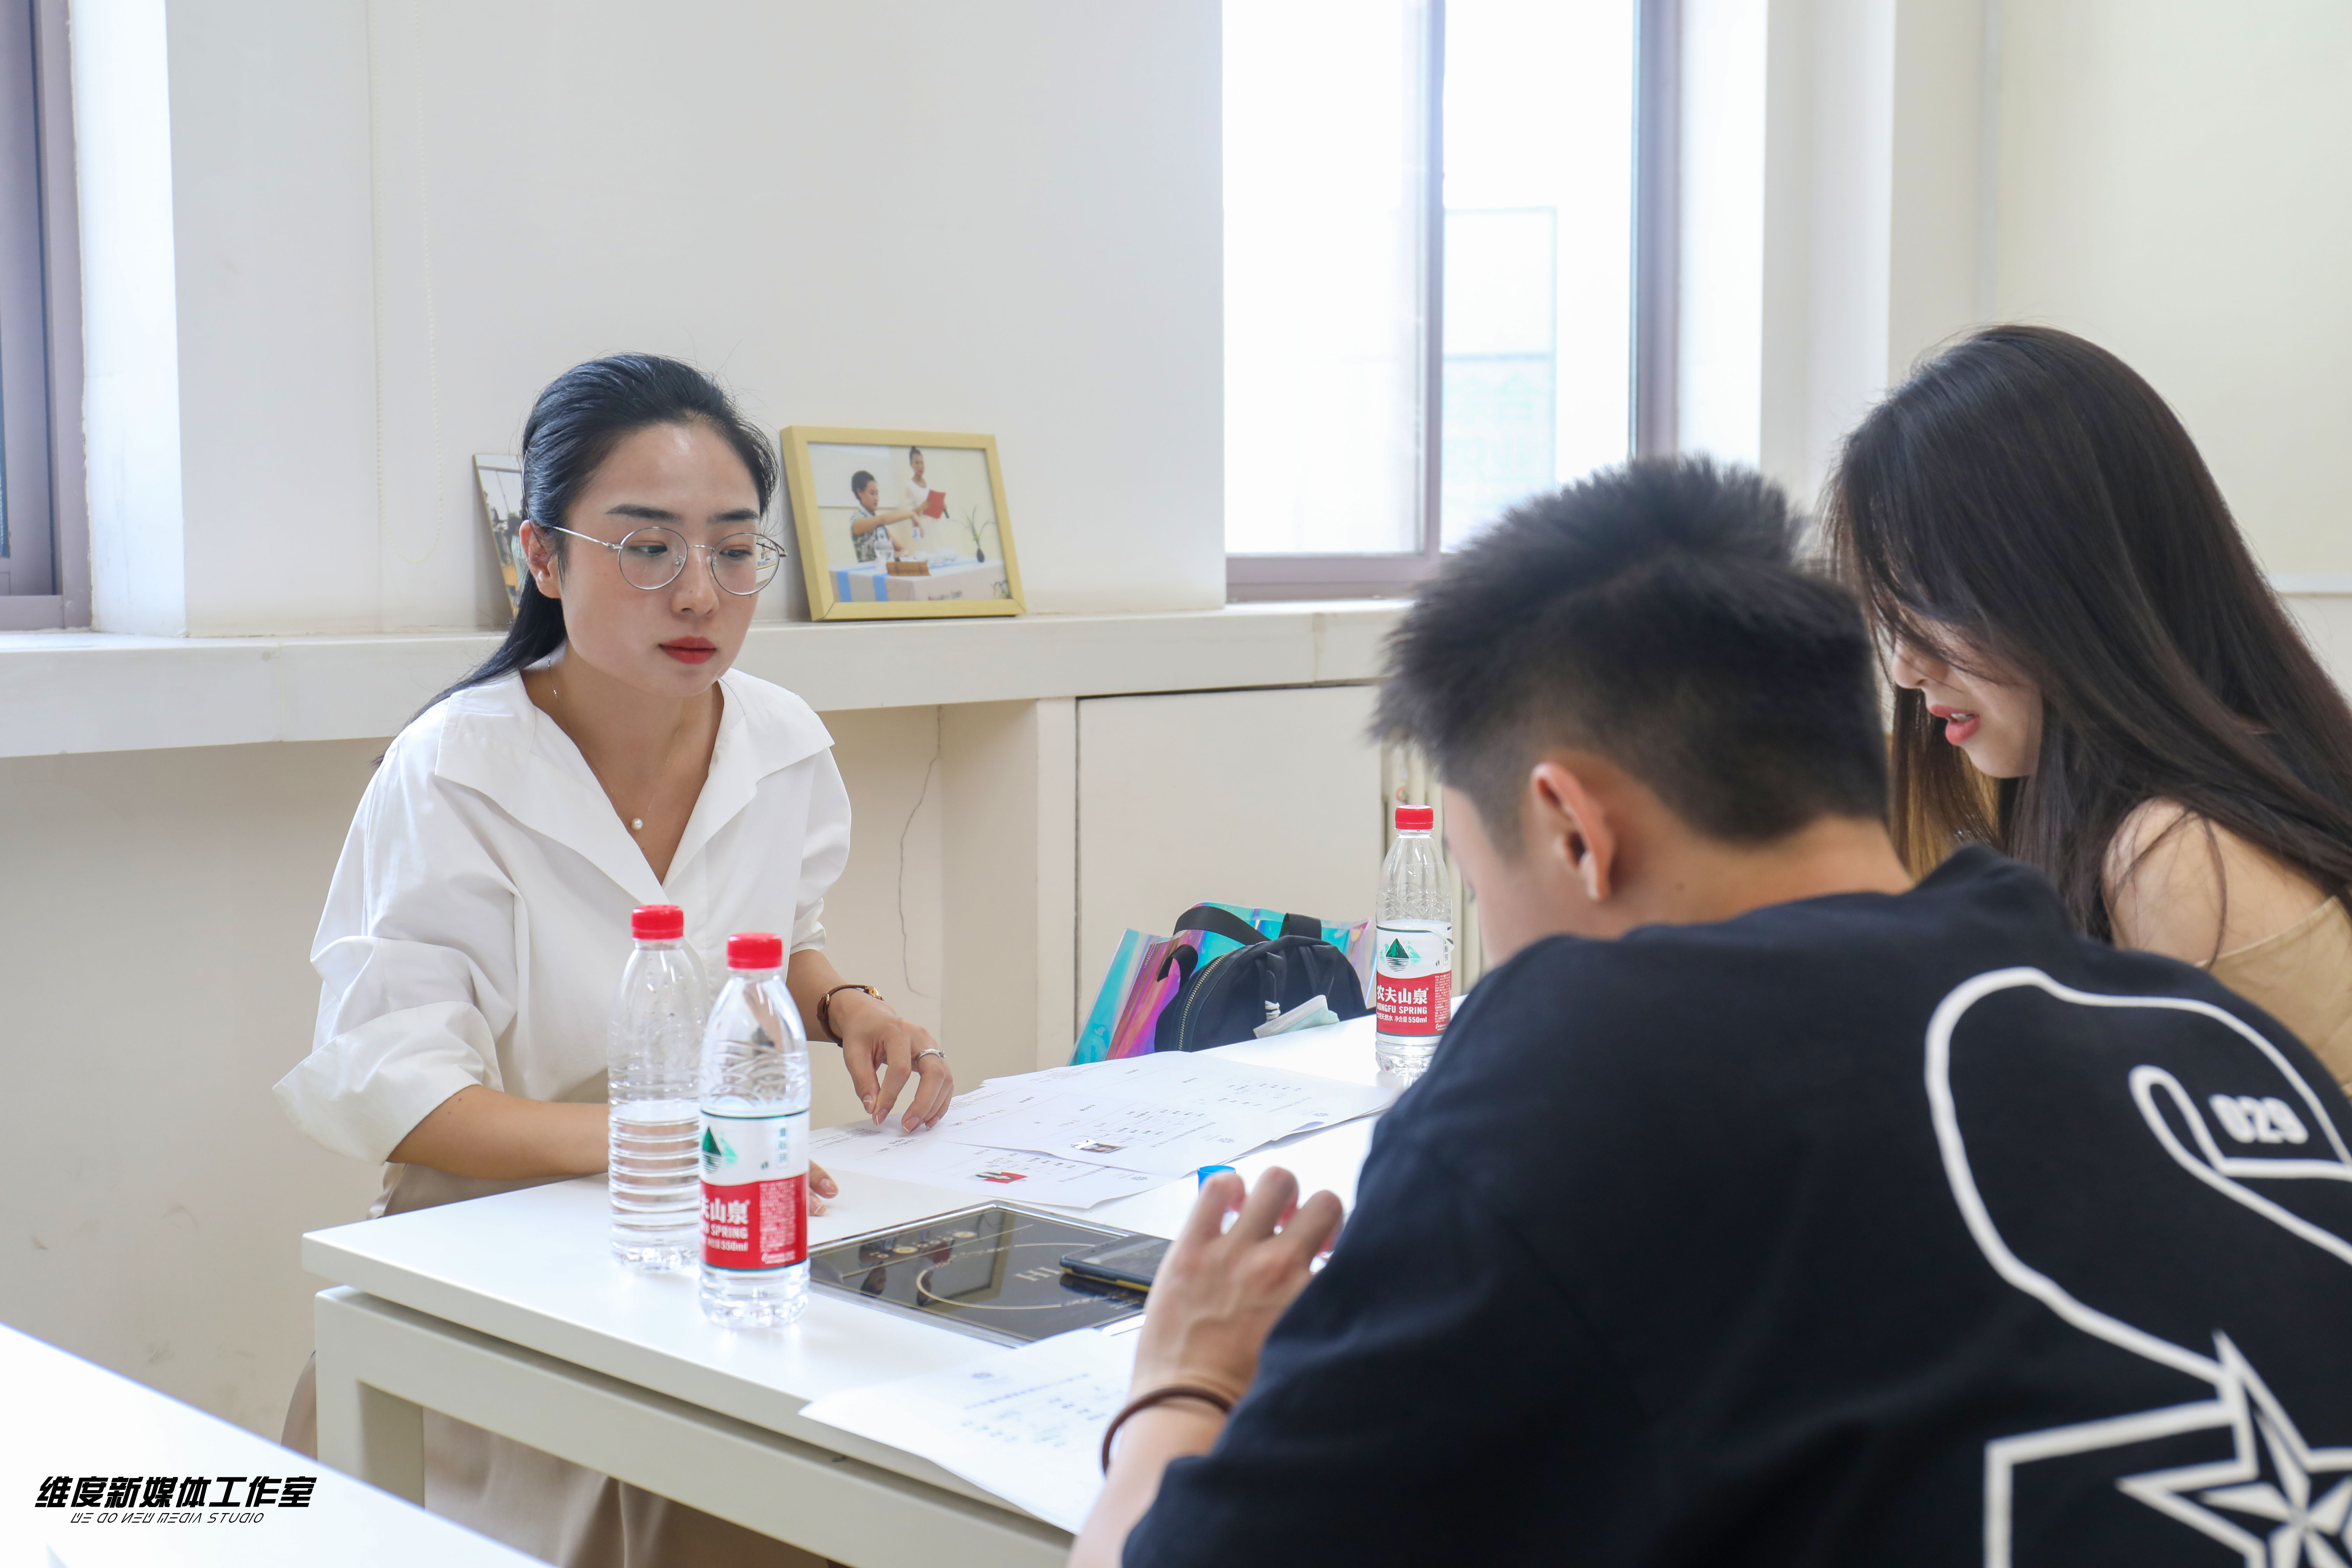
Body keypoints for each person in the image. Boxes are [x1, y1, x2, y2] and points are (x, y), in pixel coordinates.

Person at [1073, 459, 2352, 1567]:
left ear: (1572, 829)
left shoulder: (1582, 1066)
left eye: (1478, 878)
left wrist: (1182, 1380)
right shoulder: (2210, 1032)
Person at [274, 353, 954, 1567]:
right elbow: (402, 1093)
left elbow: (775, 933)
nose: (698, 593)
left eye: (734, 550)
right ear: (542, 557)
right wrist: (666, 1142)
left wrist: (844, 1004)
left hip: (720, 1241)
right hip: (500, 1263)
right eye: (647, 547)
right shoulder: (455, 770)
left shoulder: (782, 741)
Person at [1827, 325, 2352, 1090]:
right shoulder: (2171, 807)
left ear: (2073, 588)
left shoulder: (2182, 854)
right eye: (1893, 619)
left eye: (1931, 604)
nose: (1907, 669)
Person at [848, 468, 916, 562]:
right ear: (860, 492)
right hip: (868, 571)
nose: (876, 498)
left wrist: (897, 555)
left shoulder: (879, 526)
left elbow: (902, 549)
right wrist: (911, 514)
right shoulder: (858, 521)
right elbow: (883, 520)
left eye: (877, 494)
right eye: (872, 494)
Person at [901, 447, 936, 546]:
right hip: (921, 530)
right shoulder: (909, 486)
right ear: (911, 465)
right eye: (917, 463)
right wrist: (922, 507)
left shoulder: (930, 485)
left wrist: (941, 506)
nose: (920, 466)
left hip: (934, 527)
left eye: (922, 463)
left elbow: (933, 509)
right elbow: (910, 514)